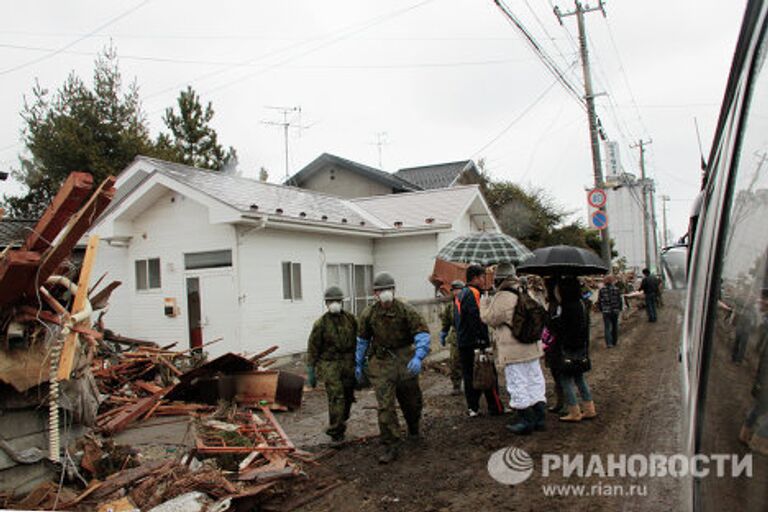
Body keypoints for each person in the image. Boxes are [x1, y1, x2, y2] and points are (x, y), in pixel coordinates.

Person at [355, 272, 431, 464]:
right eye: (381, 290)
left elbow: (422, 333)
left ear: (394, 290)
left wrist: (419, 355)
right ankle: (391, 444)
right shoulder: (369, 314)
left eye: (388, 289)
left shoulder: (406, 310)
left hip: (405, 359)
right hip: (381, 363)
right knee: (385, 406)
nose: (385, 293)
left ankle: (413, 428)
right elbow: (362, 340)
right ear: (375, 293)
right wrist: (358, 362)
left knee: (412, 402)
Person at [480, 264, 546, 435]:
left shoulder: (503, 296)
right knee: (535, 380)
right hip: (531, 345)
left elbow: (490, 318)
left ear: (499, 278)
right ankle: (540, 418)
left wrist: (484, 302)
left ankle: (525, 421)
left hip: (514, 350)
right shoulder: (526, 290)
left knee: (518, 383)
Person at [306, 286, 358, 444]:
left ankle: (342, 419)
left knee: (348, 396)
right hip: (330, 364)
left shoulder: (351, 319)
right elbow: (313, 347)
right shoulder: (321, 324)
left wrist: (362, 361)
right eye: (331, 301)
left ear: (342, 301)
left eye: (337, 301)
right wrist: (311, 369)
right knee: (336, 396)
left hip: (349, 362)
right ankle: (336, 432)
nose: (334, 303)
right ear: (326, 303)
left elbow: (360, 339)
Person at [456, 265, 504, 417]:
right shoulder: (473, 293)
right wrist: (483, 340)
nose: (485, 280)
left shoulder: (461, 293)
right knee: (487, 373)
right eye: (483, 277)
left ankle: (473, 407)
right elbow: (477, 318)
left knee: (470, 375)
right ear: (475, 278)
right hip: (475, 342)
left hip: (463, 341)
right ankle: (495, 407)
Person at [552, 276, 597, 422]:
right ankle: (589, 408)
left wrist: (554, 320)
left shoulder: (565, 307)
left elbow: (561, 328)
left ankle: (574, 411)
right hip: (581, 345)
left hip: (568, 346)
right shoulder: (581, 304)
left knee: (565, 379)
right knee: (579, 377)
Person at [439, 280, 464, 395]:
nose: (456, 292)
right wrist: (443, 333)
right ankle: (456, 385)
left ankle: (473, 384)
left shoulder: (468, 303)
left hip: (468, 335)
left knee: (471, 362)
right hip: (455, 337)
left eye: (458, 290)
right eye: (454, 290)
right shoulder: (450, 306)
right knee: (455, 362)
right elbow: (446, 322)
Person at [598, 275, 623, 347]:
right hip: (615, 310)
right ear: (612, 281)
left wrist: (601, 309)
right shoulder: (616, 289)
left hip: (606, 311)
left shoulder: (602, 290)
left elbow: (599, 300)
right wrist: (620, 308)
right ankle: (614, 341)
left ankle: (609, 343)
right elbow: (619, 300)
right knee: (615, 326)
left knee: (607, 327)